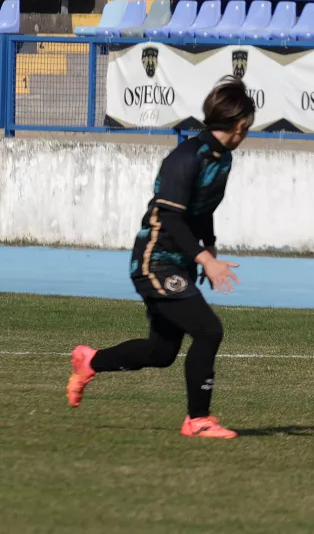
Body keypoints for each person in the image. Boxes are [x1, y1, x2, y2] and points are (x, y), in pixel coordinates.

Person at [65, 76, 255, 439]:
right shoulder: (185, 159)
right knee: (208, 330)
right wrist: (205, 260)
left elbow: (202, 209)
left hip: (179, 260)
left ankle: (90, 361)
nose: (248, 130)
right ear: (237, 124)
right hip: (154, 261)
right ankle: (197, 419)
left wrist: (209, 245)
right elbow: (169, 216)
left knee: (161, 352)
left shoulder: (223, 158)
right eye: (247, 124)